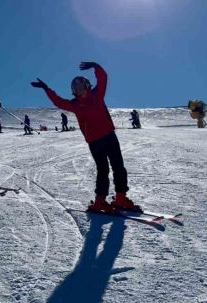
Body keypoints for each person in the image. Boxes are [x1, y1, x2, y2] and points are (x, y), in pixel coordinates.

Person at [31, 61, 139, 212]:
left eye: (81, 87)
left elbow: (103, 78)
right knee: (103, 170)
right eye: (76, 89)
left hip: (109, 136)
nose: (79, 90)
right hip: (95, 142)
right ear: (73, 91)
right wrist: (46, 88)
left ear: (87, 86)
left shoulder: (97, 94)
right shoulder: (74, 104)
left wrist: (96, 66)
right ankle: (99, 201)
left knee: (119, 167)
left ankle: (120, 198)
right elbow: (58, 101)